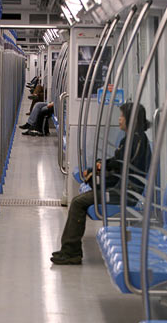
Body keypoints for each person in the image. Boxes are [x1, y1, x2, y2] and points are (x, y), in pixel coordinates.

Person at [51, 102, 151, 265]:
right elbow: (118, 163)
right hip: (122, 187)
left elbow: (122, 167)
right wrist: (97, 167)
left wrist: (98, 173)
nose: (119, 120)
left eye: (122, 117)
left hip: (125, 193)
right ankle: (69, 249)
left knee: (78, 202)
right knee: (82, 198)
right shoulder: (133, 139)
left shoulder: (135, 141)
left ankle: (72, 252)